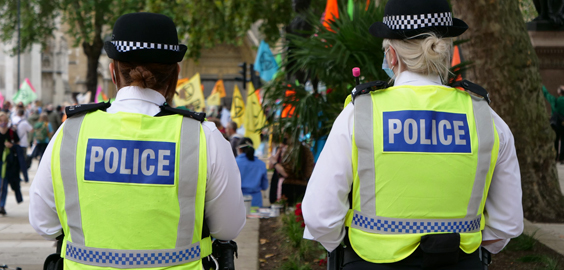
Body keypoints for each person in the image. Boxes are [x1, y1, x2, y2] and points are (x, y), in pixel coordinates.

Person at [301, 0, 523, 269]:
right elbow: (507, 223)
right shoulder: (486, 118)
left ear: (392, 56)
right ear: (445, 51)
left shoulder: (359, 113)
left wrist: (347, 245)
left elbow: (320, 216)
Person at [29, 12, 246, 269]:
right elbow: (227, 228)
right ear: (176, 76)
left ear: (113, 72)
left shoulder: (70, 133)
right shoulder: (204, 137)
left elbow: (44, 223)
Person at [268, 134, 314, 206]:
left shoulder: (294, 152)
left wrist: (275, 162)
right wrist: (278, 152)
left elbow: (286, 173)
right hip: (296, 183)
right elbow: (270, 166)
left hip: (291, 185)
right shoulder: (304, 150)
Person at [0, 112, 23, 216]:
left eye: (5, 121)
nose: (3, 123)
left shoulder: (11, 132)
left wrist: (11, 145)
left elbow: (18, 145)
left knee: (3, 185)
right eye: (1, 121)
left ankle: (2, 205)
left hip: (8, 163)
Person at [236, 137, 268, 207]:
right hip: (256, 201)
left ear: (239, 149)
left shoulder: (234, 163)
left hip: (238, 201)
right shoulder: (261, 164)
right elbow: (265, 186)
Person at [543, 85, 564, 163]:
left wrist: (542, 86)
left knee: (555, 139)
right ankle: (562, 158)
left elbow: (546, 94)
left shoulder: (555, 100)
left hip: (556, 124)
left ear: (559, 92)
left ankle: (555, 157)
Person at [12, 108, 33, 182]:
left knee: (15, 162)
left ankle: (17, 177)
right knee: (23, 162)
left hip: (14, 144)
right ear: (23, 114)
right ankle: (26, 178)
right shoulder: (24, 122)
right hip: (23, 144)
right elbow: (31, 129)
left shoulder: (13, 120)